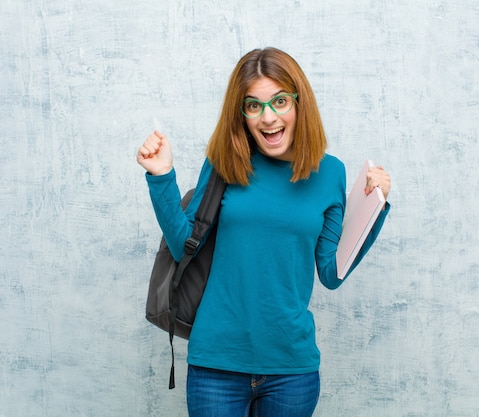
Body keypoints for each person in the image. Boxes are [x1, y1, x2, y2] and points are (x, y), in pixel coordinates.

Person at [137, 47, 391, 417]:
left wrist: (376, 207)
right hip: (216, 365)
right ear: (241, 113)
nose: (268, 117)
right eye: (253, 106)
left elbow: (331, 273)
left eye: (280, 101)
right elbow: (183, 245)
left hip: (292, 370)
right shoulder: (224, 162)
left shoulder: (330, 173)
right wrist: (162, 178)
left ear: (299, 103)